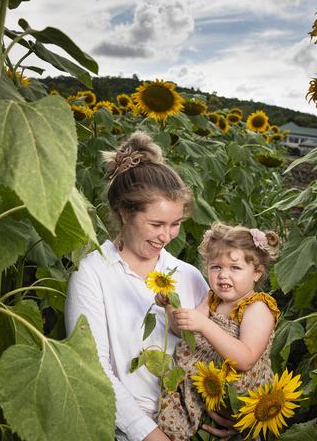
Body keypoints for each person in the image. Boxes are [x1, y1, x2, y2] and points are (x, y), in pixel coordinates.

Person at [65, 132, 217, 441]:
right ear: (124, 212)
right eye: (156, 224)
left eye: (175, 224)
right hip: (122, 430)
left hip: (192, 426)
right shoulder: (93, 273)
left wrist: (221, 407)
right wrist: (149, 434)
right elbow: (92, 369)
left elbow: (212, 353)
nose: (166, 236)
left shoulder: (188, 276)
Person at [158, 222, 281, 440]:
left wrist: (205, 324)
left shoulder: (258, 307)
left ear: (257, 273)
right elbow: (182, 332)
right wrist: (171, 308)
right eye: (216, 267)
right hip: (206, 387)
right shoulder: (212, 298)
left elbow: (245, 359)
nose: (223, 275)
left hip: (237, 398)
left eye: (235, 268)